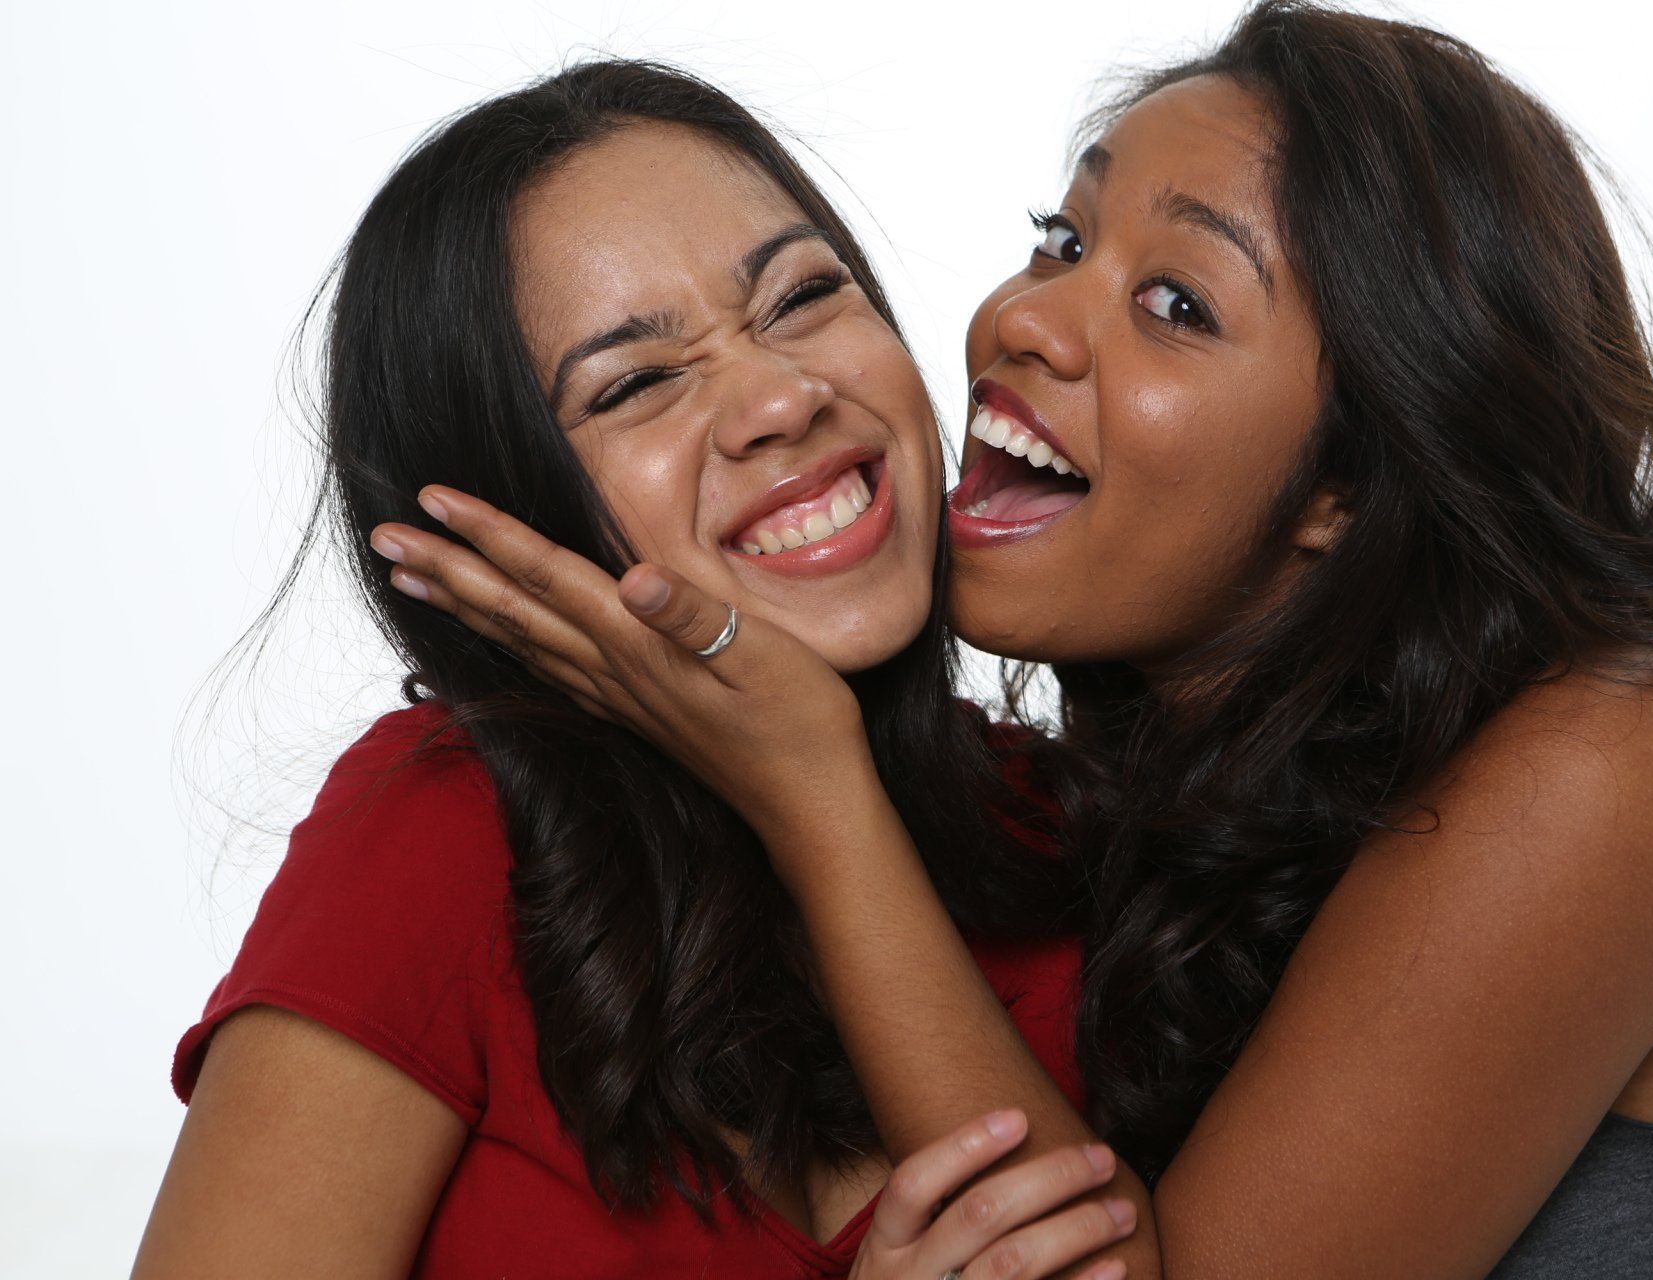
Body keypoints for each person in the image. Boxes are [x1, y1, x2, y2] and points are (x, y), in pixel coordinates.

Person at [391, 3, 1653, 1275]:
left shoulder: (1599, 766)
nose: (1026, 322)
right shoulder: (1131, 819)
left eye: (1176, 302)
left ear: (1353, 483)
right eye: (1063, 237)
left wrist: (817, 790)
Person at [134, 61, 1147, 1280]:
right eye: (636, 383)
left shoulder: (1080, 843)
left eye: (802, 296)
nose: (781, 396)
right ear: (509, 515)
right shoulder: (442, 831)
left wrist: (820, 792)